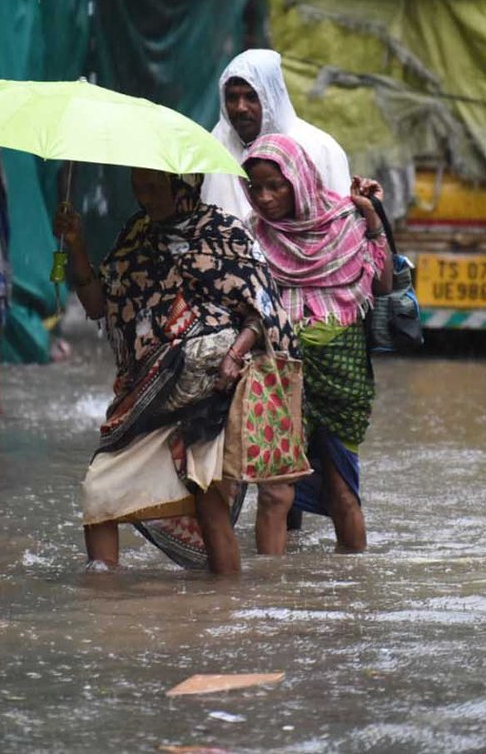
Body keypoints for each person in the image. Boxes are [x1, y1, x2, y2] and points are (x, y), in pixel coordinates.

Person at [53, 168, 304, 574]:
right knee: (99, 493)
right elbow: (100, 306)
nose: (145, 198)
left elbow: (263, 313)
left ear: (184, 186)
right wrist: (77, 247)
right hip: (147, 393)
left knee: (208, 503)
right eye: (138, 188)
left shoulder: (226, 234)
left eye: (154, 188)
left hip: (209, 395)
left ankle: (225, 610)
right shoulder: (135, 235)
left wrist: (233, 355)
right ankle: (101, 605)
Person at [242, 134, 392, 555]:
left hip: (342, 378)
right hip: (279, 372)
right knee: (274, 494)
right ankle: (269, 602)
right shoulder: (254, 236)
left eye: (276, 185)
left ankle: (351, 595)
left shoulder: (346, 221)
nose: (266, 198)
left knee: (343, 491)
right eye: (256, 188)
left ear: (300, 181)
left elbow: (381, 284)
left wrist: (373, 218)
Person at [203, 49, 351, 220]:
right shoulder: (216, 145)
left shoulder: (318, 147)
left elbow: (343, 225)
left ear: (271, 98)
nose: (240, 107)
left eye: (251, 97)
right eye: (232, 97)